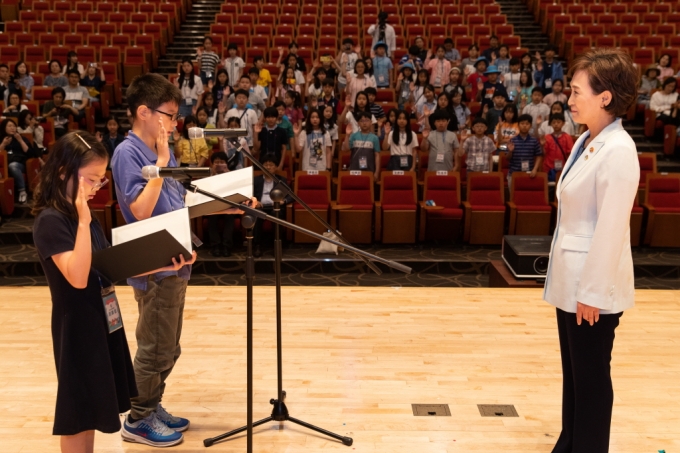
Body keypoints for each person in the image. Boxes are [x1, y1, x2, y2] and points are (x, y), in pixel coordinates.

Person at [543, 48, 640, 453]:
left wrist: (592, 294)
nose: (570, 99)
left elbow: (611, 228)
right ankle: (571, 443)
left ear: (605, 97)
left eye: (577, 91)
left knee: (593, 382)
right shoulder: (588, 139)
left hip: (591, 293)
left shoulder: (619, 150)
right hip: (573, 285)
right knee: (575, 378)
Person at [111, 73, 204, 447]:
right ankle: (138, 418)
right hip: (153, 265)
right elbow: (141, 210)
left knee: (169, 347)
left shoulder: (161, 152)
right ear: (144, 112)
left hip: (176, 259)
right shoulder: (128, 153)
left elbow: (177, 200)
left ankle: (152, 405)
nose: (174, 123)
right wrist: (163, 162)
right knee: (153, 349)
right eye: (169, 114)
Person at [31, 132, 138, 453]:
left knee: (93, 409)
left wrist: (163, 260)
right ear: (63, 171)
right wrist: (82, 221)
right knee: (78, 412)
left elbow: (104, 267)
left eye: (100, 182)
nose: (95, 189)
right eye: (90, 180)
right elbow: (77, 277)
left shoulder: (83, 216)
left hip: (102, 319)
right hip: (76, 327)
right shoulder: (51, 221)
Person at [253, 154, 292, 257]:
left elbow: (291, 196)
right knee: (257, 214)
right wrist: (255, 201)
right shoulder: (256, 180)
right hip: (260, 207)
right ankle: (257, 245)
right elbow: (249, 195)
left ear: (276, 167)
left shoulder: (280, 180)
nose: (268, 167)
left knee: (276, 214)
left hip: (275, 207)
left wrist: (284, 201)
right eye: (266, 165)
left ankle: (277, 245)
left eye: (271, 165)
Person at [206, 151, 236, 257]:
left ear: (226, 164)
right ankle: (216, 245)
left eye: (222, 162)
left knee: (229, 217)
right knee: (212, 217)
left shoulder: (232, 175)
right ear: (212, 164)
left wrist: (227, 173)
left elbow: (235, 190)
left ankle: (226, 245)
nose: (219, 164)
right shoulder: (207, 175)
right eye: (216, 162)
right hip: (212, 205)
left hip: (228, 205)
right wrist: (213, 174)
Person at [0, 118, 34, 203]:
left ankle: (22, 191)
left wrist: (20, 140)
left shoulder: (22, 138)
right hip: (4, 166)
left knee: (13, 165)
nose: (12, 128)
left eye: (14, 126)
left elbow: (30, 153)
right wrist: (3, 144)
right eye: (9, 126)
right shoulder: (1, 139)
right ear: (4, 127)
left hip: (20, 165)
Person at [342, 111, 381, 179]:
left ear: (371, 122)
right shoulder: (353, 136)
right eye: (362, 121)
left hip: (369, 170)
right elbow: (346, 149)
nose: (364, 123)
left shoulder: (375, 138)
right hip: (354, 169)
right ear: (358, 123)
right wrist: (347, 135)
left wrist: (377, 172)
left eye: (367, 120)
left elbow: (377, 155)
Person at [506, 114, 543, 185]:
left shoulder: (534, 141)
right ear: (518, 125)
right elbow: (507, 158)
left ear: (530, 125)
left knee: (527, 195)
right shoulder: (512, 140)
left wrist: (535, 169)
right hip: (514, 174)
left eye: (527, 124)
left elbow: (539, 156)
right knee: (513, 196)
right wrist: (510, 152)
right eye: (522, 123)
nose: (524, 126)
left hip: (529, 174)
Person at [253, 106, 289, 171]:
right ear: (265, 118)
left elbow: (284, 149)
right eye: (268, 117)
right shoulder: (262, 131)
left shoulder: (282, 131)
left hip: (277, 162)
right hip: (263, 162)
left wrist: (281, 164)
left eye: (273, 117)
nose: (270, 119)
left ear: (277, 117)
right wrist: (256, 133)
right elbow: (256, 147)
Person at [541, 112, 573, 181]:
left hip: (563, 168)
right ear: (551, 124)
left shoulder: (567, 137)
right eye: (554, 122)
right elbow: (544, 154)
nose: (556, 124)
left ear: (563, 123)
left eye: (558, 122)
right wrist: (542, 146)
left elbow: (570, 154)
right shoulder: (547, 137)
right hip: (548, 168)